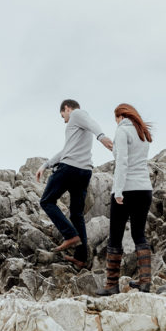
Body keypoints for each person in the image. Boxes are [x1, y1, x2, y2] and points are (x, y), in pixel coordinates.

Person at [37, 99, 113, 268]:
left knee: (47, 201)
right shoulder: (78, 130)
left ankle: (70, 235)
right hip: (84, 172)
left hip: (70, 168)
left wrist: (102, 137)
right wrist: (45, 164)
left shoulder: (77, 114)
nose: (63, 118)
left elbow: (92, 123)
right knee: (76, 214)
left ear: (67, 108)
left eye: (62, 114)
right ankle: (81, 258)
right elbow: (65, 150)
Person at [96, 103, 154, 295]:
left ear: (120, 117)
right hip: (144, 189)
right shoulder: (142, 133)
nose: (116, 122)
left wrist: (118, 191)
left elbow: (122, 162)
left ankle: (111, 285)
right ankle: (145, 281)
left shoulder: (122, 132)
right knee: (139, 235)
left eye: (116, 119)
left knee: (115, 236)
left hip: (127, 189)